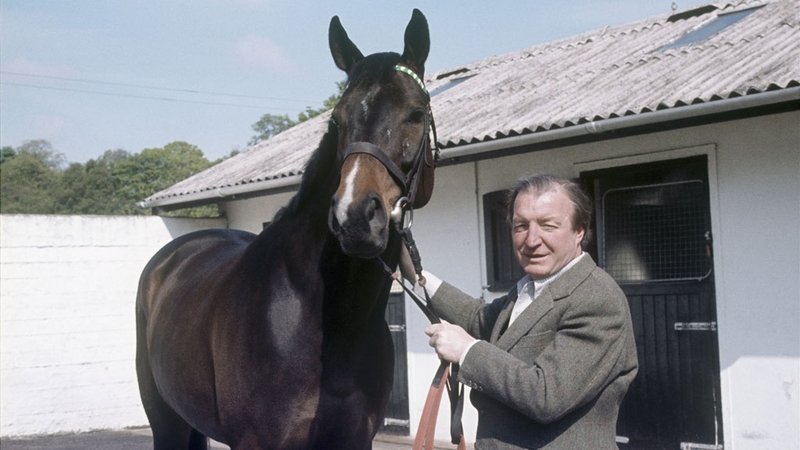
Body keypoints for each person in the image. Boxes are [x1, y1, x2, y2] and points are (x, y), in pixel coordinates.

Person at [406, 173, 638, 449]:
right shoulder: (532, 287)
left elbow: (546, 395)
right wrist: (415, 276)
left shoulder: (597, 298)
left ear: (580, 231)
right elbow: (479, 319)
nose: (531, 240)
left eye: (548, 226)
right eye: (521, 226)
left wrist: (467, 351)